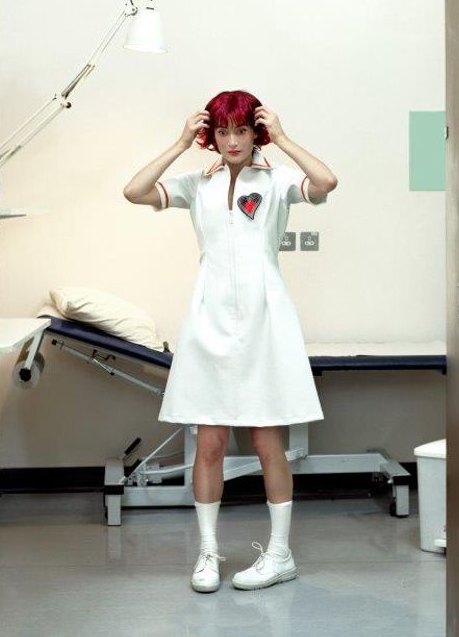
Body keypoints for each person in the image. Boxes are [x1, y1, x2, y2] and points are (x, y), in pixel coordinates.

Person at [123, 90, 337, 593]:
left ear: (255, 132)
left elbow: (325, 181)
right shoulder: (197, 184)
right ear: (211, 136)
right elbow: (134, 191)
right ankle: (207, 554)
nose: (233, 141)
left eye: (242, 130)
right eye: (223, 131)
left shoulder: (278, 180)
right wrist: (179, 143)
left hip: (265, 321)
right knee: (210, 443)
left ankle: (280, 554)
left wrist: (282, 138)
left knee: (267, 442)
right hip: (209, 322)